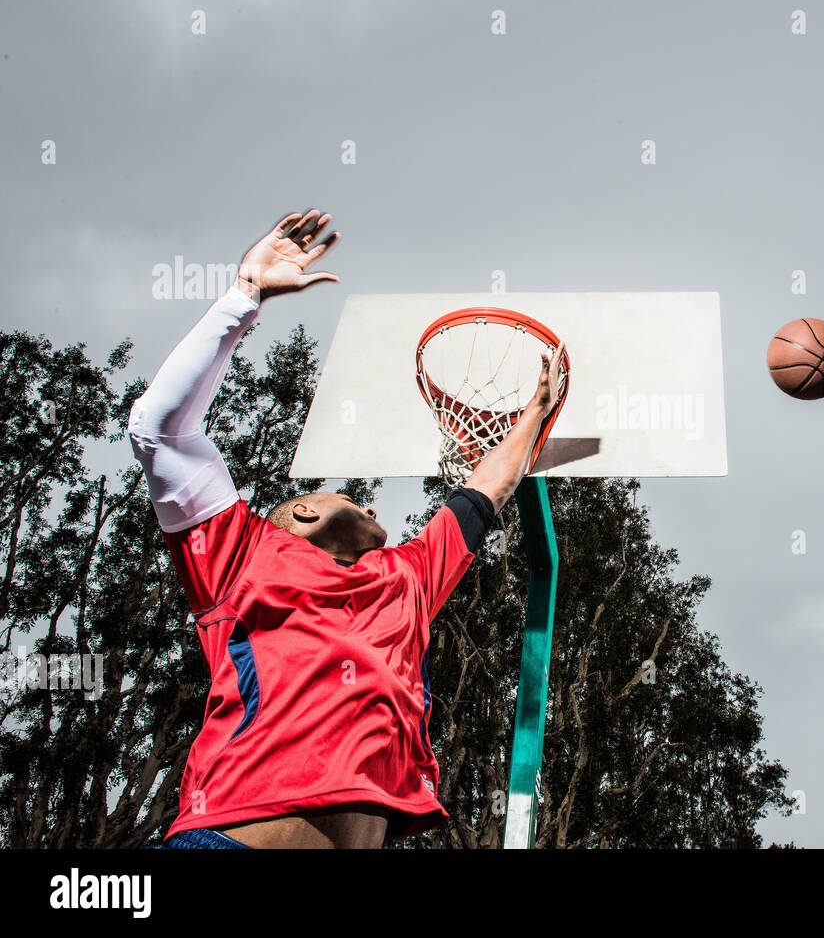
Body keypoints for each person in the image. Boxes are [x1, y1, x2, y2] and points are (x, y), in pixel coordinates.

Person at [128, 209, 564, 848]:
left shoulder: (407, 578)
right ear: (301, 511)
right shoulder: (241, 555)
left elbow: (484, 489)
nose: (374, 511)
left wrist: (534, 411)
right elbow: (157, 429)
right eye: (355, 499)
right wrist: (244, 294)